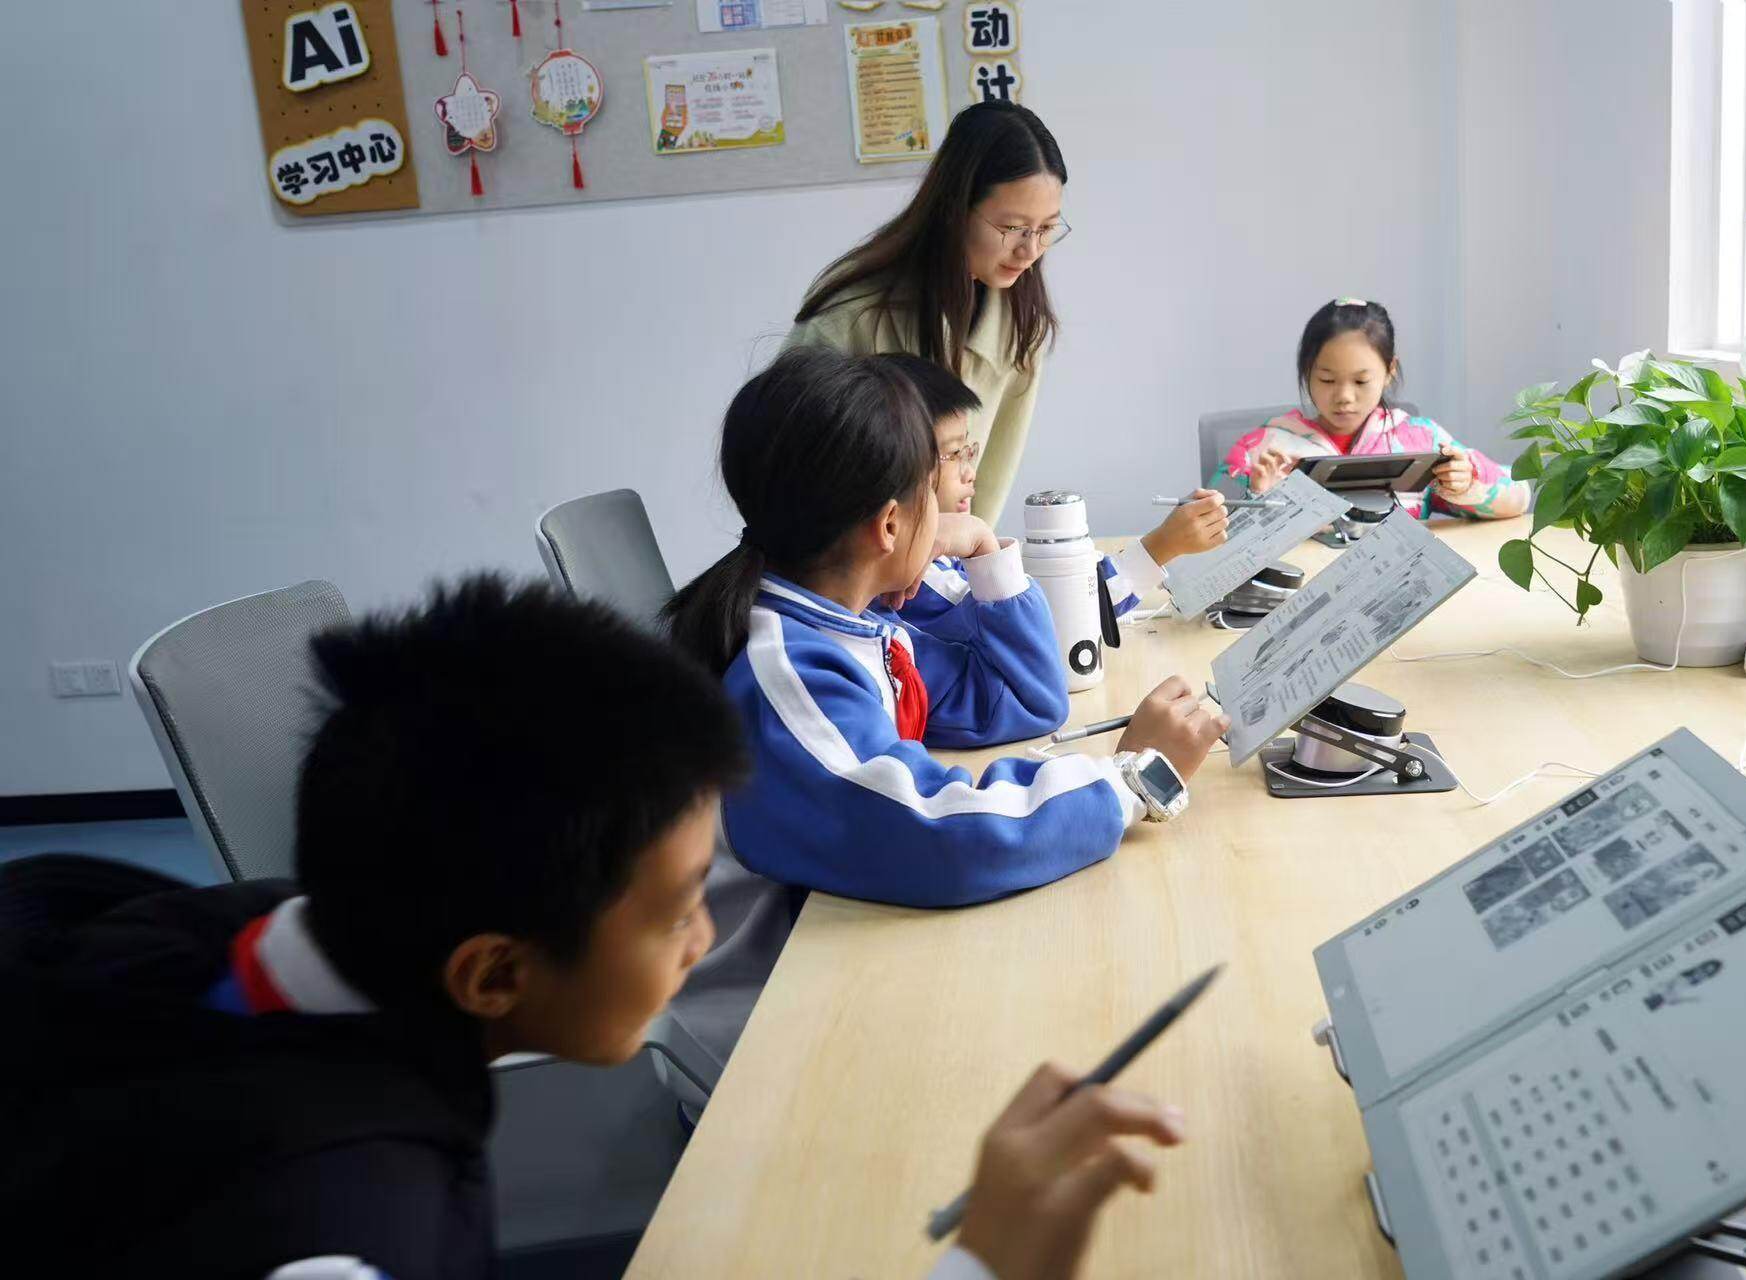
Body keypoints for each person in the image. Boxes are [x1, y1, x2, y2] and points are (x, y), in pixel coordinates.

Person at [0, 578, 1187, 1279]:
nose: (703, 937)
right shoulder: (346, 1230)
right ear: (492, 974)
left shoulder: (221, 933)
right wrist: (979, 1262)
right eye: (678, 909)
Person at [663, 347, 1228, 909]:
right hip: (787, 959)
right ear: (890, 524)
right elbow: (940, 837)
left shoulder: (864, 627)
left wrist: (986, 553)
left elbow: (1024, 705)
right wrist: (1129, 780)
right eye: (931, 489)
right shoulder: (790, 675)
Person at [787, 101, 1070, 526]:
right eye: (1012, 228)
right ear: (956, 209)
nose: (1030, 250)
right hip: (850, 554)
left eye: (1046, 229)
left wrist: (969, 550)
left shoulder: (1020, 319)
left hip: (947, 558)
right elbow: (786, 458)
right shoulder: (855, 311)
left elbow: (988, 483)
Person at [897, 366, 1230, 628]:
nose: (970, 471)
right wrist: (1162, 546)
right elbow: (1048, 623)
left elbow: (1040, 594)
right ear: (897, 467)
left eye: (968, 450)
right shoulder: (919, 582)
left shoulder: (943, 558)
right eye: (954, 453)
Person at [1216, 298, 1532, 519]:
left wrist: (1466, 482)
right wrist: (1258, 499)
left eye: (1361, 381)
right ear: (1306, 371)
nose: (1344, 396)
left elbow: (1518, 496)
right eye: (1327, 380)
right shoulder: (1265, 450)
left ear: (1389, 371)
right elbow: (1209, 532)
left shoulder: (1421, 440)